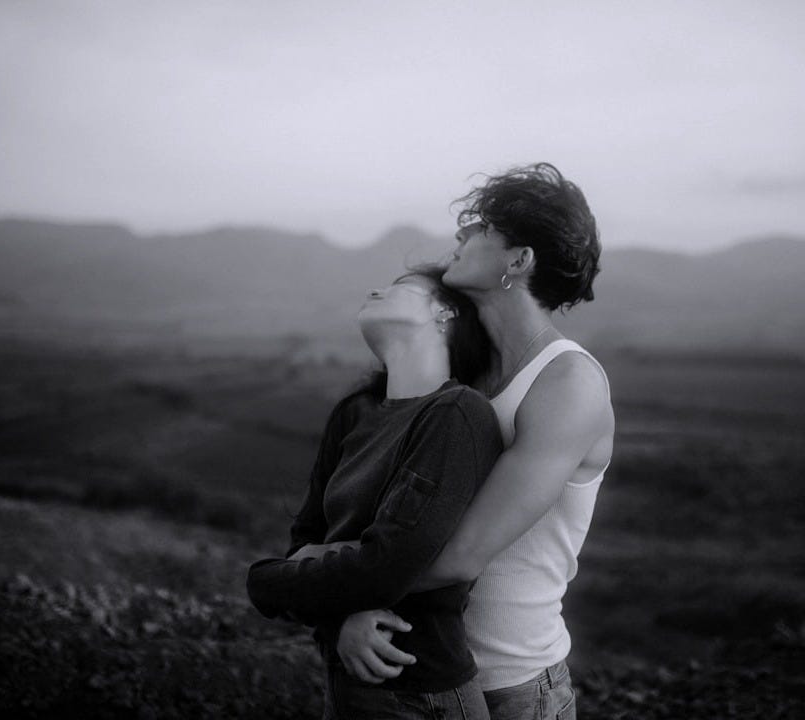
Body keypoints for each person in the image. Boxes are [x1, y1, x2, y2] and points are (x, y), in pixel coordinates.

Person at [330, 163, 615, 720]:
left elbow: (462, 556)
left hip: (513, 685)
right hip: (420, 672)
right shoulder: (462, 372)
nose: (461, 233)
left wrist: (335, 597)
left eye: (482, 227)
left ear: (519, 260)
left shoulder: (567, 382)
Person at [246, 266, 503, 720]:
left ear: (444, 313)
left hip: (422, 694)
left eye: (401, 287)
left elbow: (390, 565)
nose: (374, 289)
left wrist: (265, 583)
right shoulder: (355, 413)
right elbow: (305, 540)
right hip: (345, 683)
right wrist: (339, 620)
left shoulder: (457, 413)